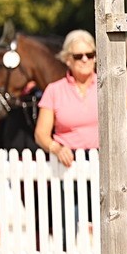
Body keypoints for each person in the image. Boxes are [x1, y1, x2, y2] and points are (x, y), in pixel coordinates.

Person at [35, 30, 99, 168]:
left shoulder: (107, 87)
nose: (84, 59)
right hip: (67, 163)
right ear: (67, 59)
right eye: (78, 56)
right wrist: (56, 148)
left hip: (103, 161)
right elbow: (41, 134)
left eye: (89, 55)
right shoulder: (54, 90)